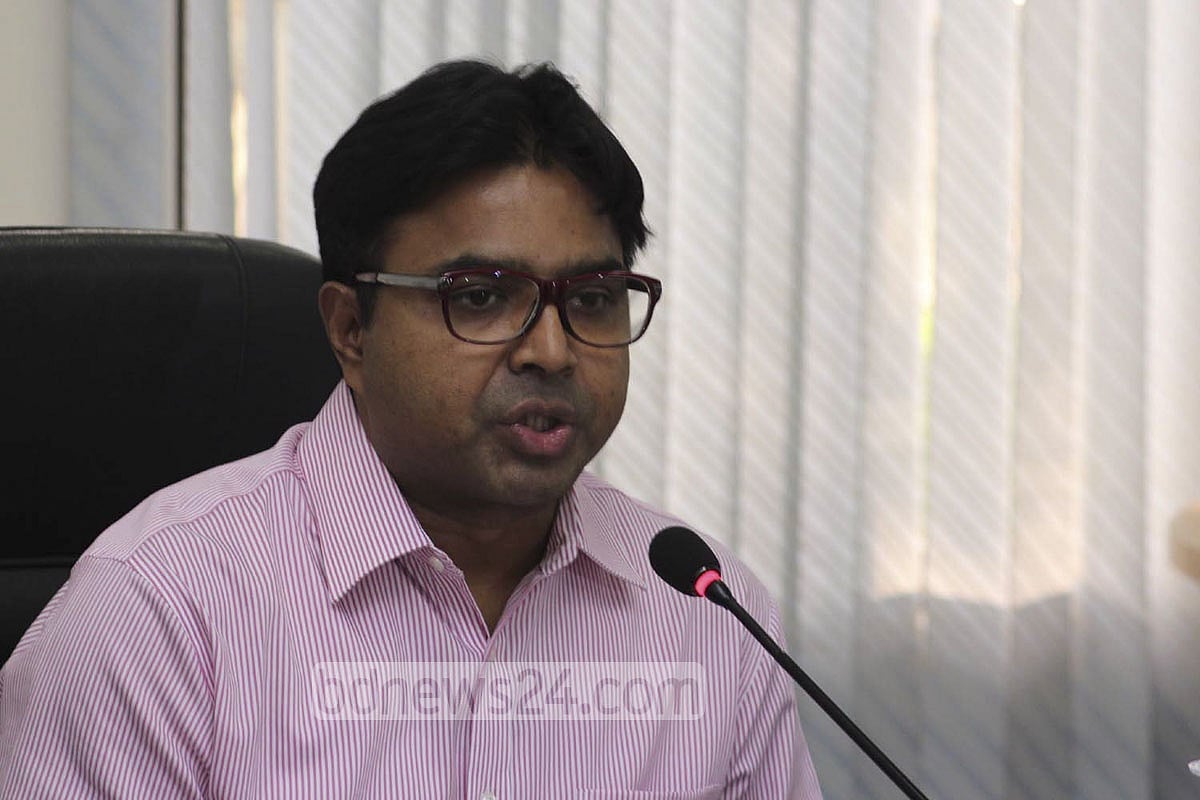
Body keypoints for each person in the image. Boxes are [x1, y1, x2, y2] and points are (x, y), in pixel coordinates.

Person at [0, 60, 822, 798]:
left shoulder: (710, 615)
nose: (551, 349)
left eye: (594, 298)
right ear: (352, 329)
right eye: (480, 295)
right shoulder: (160, 610)